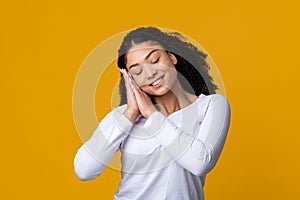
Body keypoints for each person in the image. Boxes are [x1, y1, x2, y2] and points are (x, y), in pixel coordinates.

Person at [74, 26, 231, 200]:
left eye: (155, 60)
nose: (150, 73)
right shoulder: (124, 117)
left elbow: (200, 162)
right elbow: (84, 170)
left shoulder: (210, 106)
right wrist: (131, 114)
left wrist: (151, 113)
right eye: (137, 71)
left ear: (172, 57)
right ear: (130, 79)